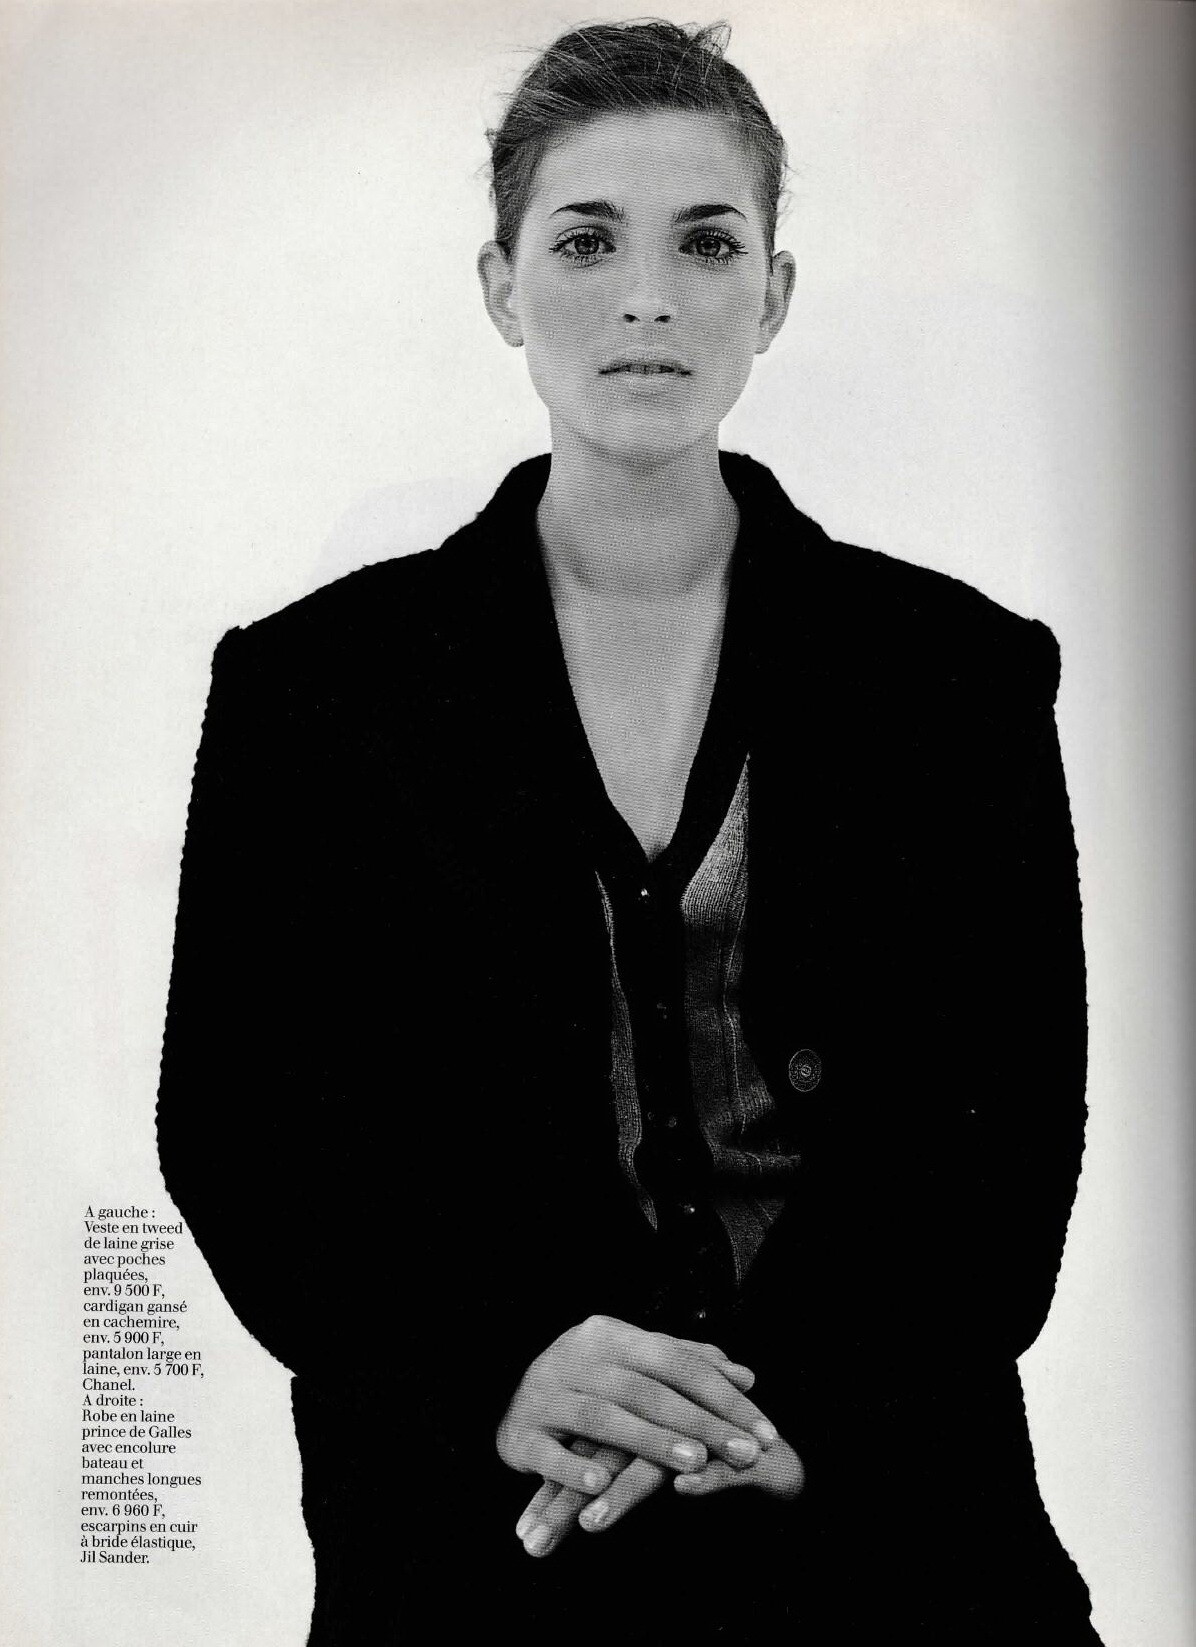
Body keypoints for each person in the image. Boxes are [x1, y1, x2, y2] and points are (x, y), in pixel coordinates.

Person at [156, 19, 1098, 1643]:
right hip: (487, 1531)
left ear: (773, 297)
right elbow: (239, 1131)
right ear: (501, 286)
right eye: (586, 241)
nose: (647, 296)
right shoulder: (313, 694)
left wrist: (778, 1415)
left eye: (705, 244)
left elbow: (1008, 1148)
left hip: (889, 1523)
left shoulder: (961, 678)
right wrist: (498, 1367)